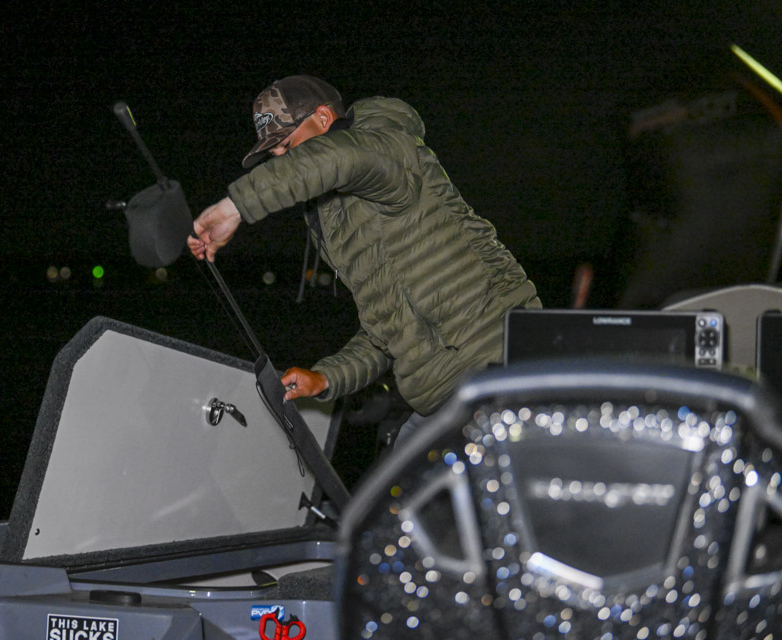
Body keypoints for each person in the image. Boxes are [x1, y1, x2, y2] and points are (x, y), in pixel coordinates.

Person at [188, 75, 541, 446]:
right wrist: (327, 378)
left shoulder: (388, 149)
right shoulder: (336, 223)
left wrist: (236, 206)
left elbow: (341, 158)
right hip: (441, 394)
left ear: (324, 118)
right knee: (398, 476)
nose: (280, 157)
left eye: (287, 144)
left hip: (500, 363)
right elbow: (388, 329)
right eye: (272, 152)